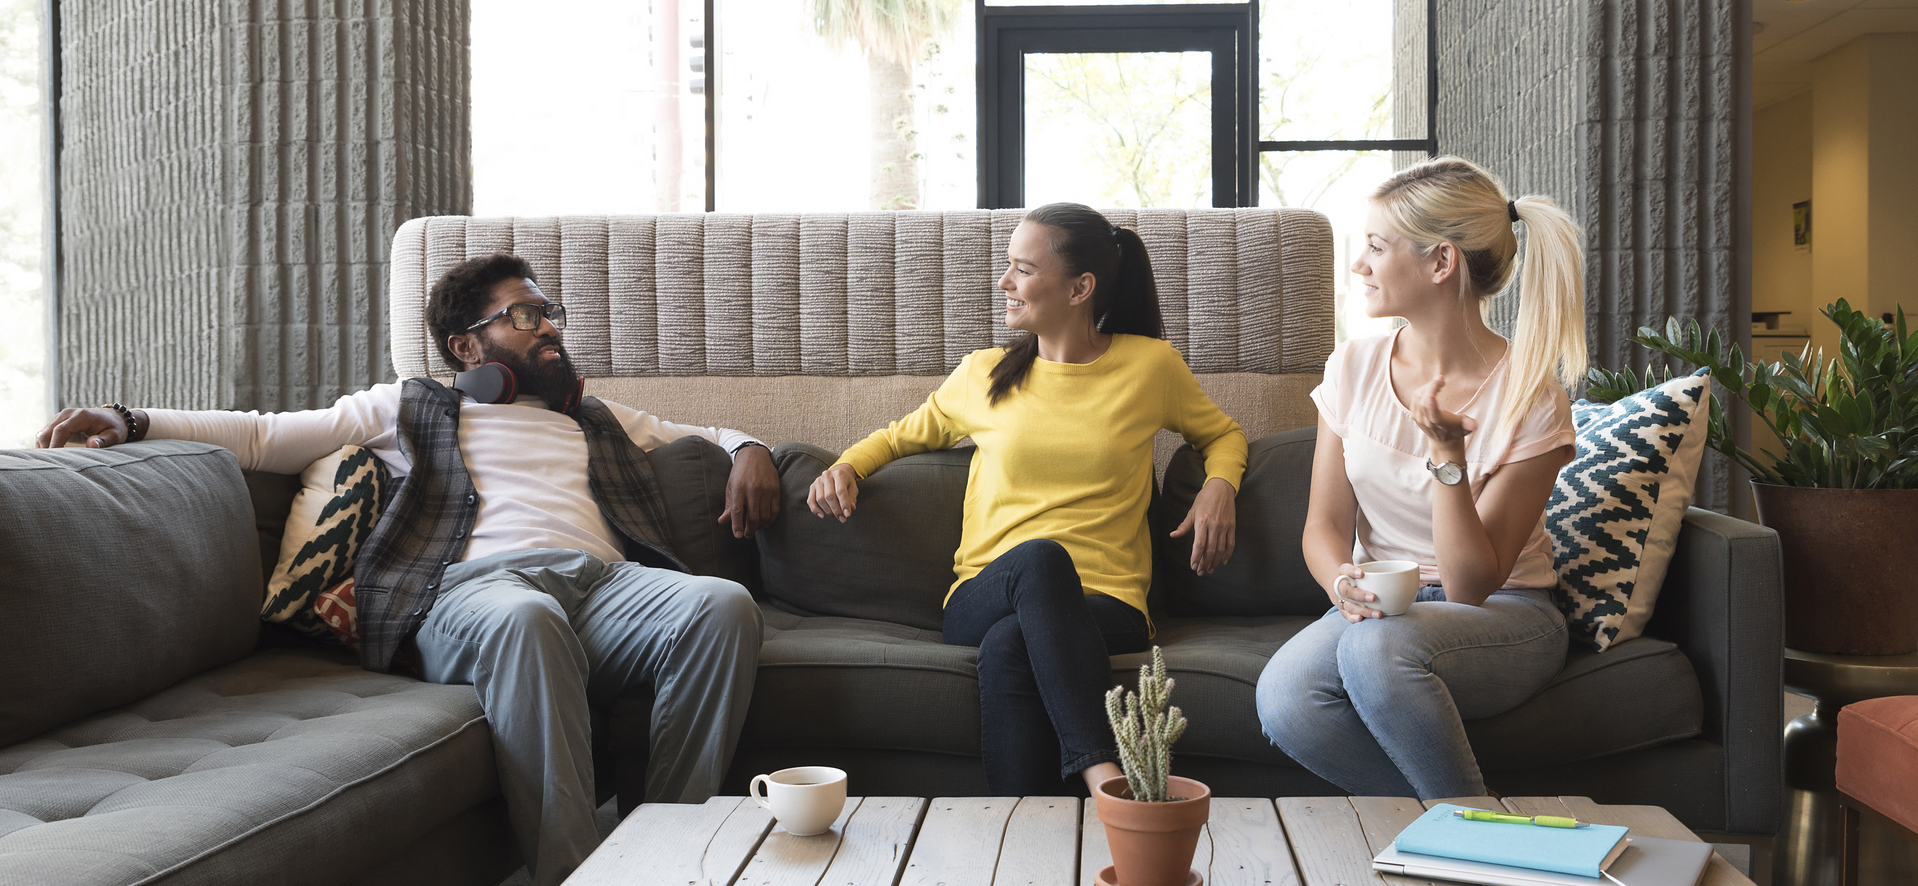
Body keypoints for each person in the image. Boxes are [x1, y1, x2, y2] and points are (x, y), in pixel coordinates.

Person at [37, 253, 778, 886]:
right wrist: (131, 420)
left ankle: (668, 852)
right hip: (474, 593)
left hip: (604, 587)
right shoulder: (406, 407)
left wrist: (748, 452)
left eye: (548, 311)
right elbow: (264, 437)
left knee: (719, 603)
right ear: (466, 348)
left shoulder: (595, 416)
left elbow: (712, 434)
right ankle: (575, 872)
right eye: (524, 314)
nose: (547, 326)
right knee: (527, 618)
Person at [807, 203, 1248, 796]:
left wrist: (1220, 485)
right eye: (1008, 267)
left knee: (1011, 644)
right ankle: (1102, 770)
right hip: (982, 594)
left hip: (1109, 604)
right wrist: (845, 467)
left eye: (1022, 268)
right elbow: (897, 436)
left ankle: (1018, 832)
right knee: (1040, 561)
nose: (1004, 283)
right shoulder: (983, 375)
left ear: (1079, 287)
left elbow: (1220, 433)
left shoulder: (1150, 367)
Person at [1254, 157, 1583, 801]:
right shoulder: (1352, 366)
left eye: (1376, 247)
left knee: (1377, 653)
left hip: (1505, 613)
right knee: (1286, 697)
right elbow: (1325, 524)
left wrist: (1447, 459)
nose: (1358, 265)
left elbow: (1468, 586)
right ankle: (1455, 826)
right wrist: (1339, 581)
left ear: (1441, 263)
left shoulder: (1531, 397)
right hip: (1385, 604)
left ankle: (1466, 844)